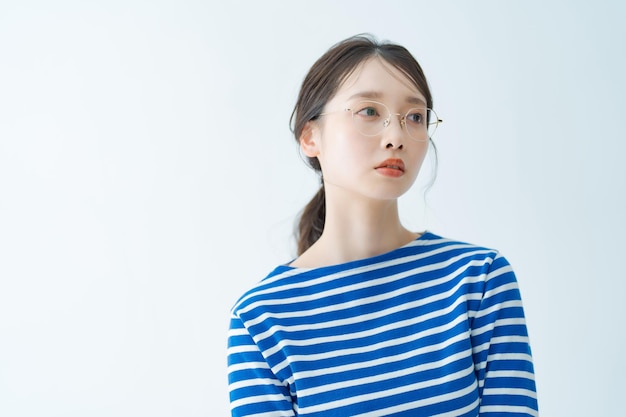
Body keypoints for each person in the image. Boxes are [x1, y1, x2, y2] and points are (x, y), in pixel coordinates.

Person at [227, 33, 538, 416]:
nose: (396, 137)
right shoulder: (261, 318)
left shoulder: (478, 280)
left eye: (414, 117)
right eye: (369, 112)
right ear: (310, 136)